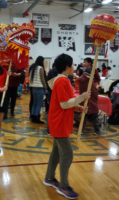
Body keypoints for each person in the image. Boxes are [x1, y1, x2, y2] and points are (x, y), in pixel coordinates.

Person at [43, 53, 90, 199]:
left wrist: (78, 107)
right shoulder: (62, 81)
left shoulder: (62, 80)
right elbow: (64, 104)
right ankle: (63, 186)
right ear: (67, 66)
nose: (74, 67)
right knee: (67, 153)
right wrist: (82, 97)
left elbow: (64, 101)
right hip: (59, 122)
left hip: (59, 121)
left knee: (56, 152)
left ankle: (49, 178)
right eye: (73, 65)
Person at [79, 67, 100, 135]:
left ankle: (81, 130)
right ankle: (97, 130)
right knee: (94, 116)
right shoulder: (89, 80)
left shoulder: (81, 78)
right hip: (91, 100)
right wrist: (96, 97)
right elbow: (94, 91)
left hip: (84, 99)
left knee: (83, 116)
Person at [29, 56, 47, 124]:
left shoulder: (32, 67)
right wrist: (45, 88)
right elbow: (42, 80)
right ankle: (37, 117)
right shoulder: (40, 68)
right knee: (39, 104)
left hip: (33, 88)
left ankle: (33, 116)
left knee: (34, 103)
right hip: (39, 88)